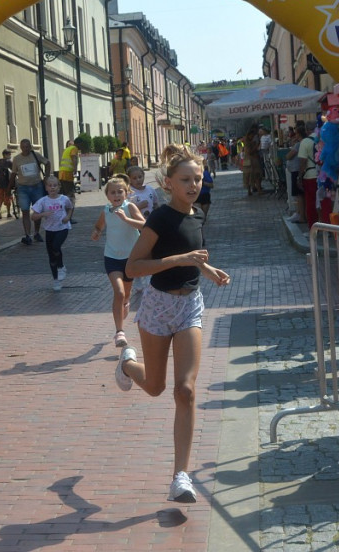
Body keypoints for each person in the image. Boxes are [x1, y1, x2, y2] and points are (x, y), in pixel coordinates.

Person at [117, 144, 230, 504]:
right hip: (157, 306)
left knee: (186, 390)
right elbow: (133, 268)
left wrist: (207, 269)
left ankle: (180, 476)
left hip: (190, 307)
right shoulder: (160, 219)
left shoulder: (198, 214)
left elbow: (195, 253)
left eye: (198, 178)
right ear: (168, 183)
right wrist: (178, 258)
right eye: (186, 179)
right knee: (154, 386)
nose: (194, 184)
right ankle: (127, 364)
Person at [91, 174, 145, 347]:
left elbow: (144, 225)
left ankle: (126, 303)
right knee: (119, 292)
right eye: (112, 192)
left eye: (120, 192)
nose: (116, 195)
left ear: (127, 193)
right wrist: (97, 233)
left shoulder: (130, 208)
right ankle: (119, 332)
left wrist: (126, 219)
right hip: (112, 257)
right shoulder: (106, 210)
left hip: (131, 258)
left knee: (126, 295)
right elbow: (99, 226)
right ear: (108, 196)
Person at [29, 175, 73, 291]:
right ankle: (56, 280)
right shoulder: (43, 201)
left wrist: (68, 217)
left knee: (56, 246)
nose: (52, 188)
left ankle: (61, 267)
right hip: (49, 230)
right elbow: (33, 217)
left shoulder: (64, 199)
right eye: (50, 185)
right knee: (51, 256)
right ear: (46, 188)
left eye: (55, 185)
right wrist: (43, 214)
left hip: (62, 228)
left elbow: (70, 207)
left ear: (59, 187)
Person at [11, 138, 50, 245]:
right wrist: (10, 185)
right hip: (23, 188)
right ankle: (27, 235)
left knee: (37, 211)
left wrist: (46, 177)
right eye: (23, 147)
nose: (25, 149)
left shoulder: (35, 155)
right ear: (20, 147)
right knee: (25, 211)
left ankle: (36, 232)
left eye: (27, 147)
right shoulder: (17, 159)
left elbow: (47, 163)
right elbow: (14, 173)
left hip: (37, 186)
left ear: (30, 147)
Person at [297, 122, 319, 227]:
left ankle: (313, 227)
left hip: (309, 175)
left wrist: (299, 177)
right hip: (323, 174)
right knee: (324, 202)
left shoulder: (305, 142)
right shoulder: (322, 138)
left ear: (307, 130)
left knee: (311, 202)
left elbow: (302, 162)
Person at [0, 149, 13, 219]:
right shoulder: (10, 162)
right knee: (8, 198)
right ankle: (8, 212)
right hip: (7, 183)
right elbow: (13, 172)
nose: (10, 156)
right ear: (5, 155)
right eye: (9, 154)